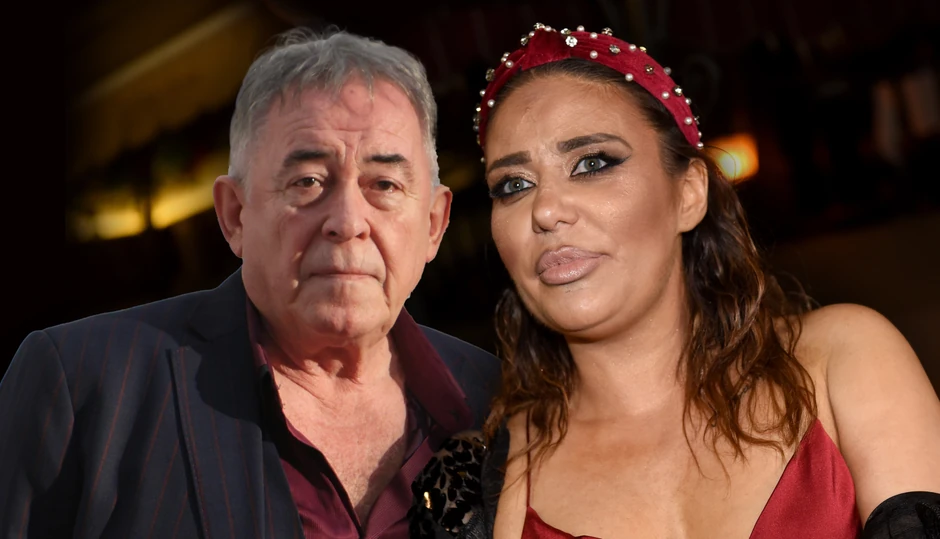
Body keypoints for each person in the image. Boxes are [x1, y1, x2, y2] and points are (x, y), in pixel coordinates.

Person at [410, 23, 940, 538]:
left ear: (688, 193)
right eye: (513, 185)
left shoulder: (841, 360)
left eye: (592, 163)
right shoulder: (478, 488)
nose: (545, 210)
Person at [0, 28, 500, 539]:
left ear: (434, 224)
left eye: (385, 184)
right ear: (235, 215)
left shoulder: (502, 403)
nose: (348, 221)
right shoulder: (84, 386)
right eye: (308, 181)